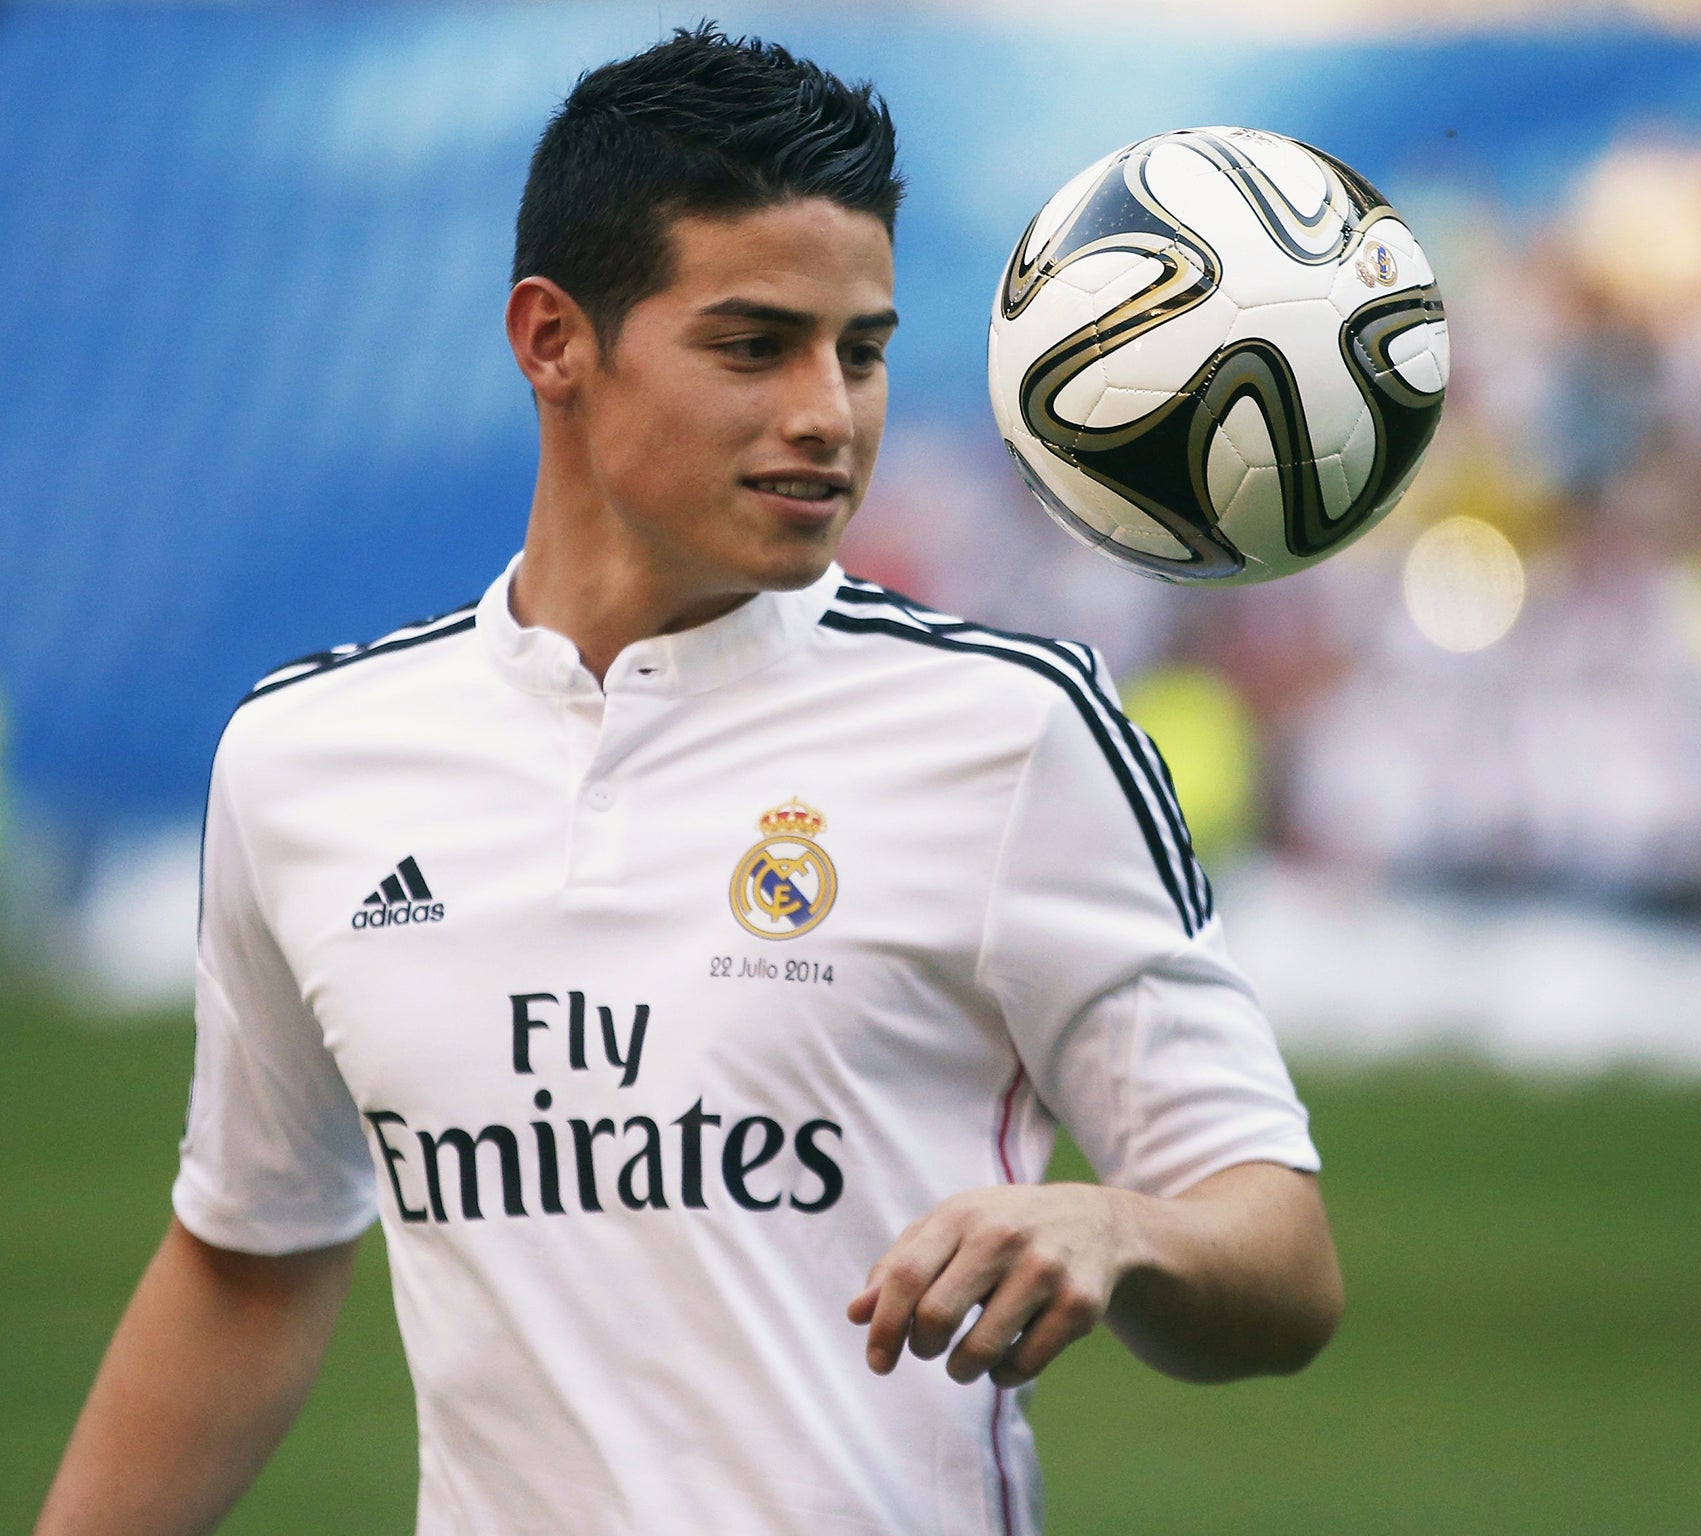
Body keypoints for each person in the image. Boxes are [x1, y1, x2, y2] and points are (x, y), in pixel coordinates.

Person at [35, 23, 1341, 1536]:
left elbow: (1284, 1265)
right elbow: (246, 1266)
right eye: (754, 343)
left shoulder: (1012, 728)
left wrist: (1121, 1232)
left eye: (862, 350)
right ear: (552, 340)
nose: (829, 412)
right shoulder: (302, 763)